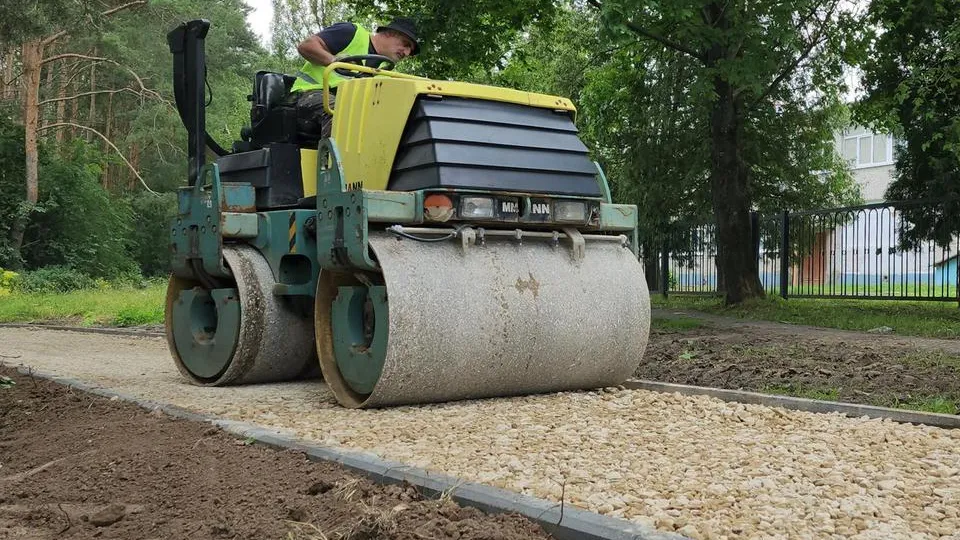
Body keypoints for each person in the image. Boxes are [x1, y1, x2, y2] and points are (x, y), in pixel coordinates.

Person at [288, 18, 420, 143]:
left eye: (410, 50)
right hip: (309, 94)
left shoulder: (385, 71)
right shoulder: (352, 33)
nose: (407, 53)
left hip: (346, 105)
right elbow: (306, 46)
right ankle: (334, 163)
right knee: (340, 111)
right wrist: (335, 61)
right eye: (406, 44)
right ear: (389, 33)